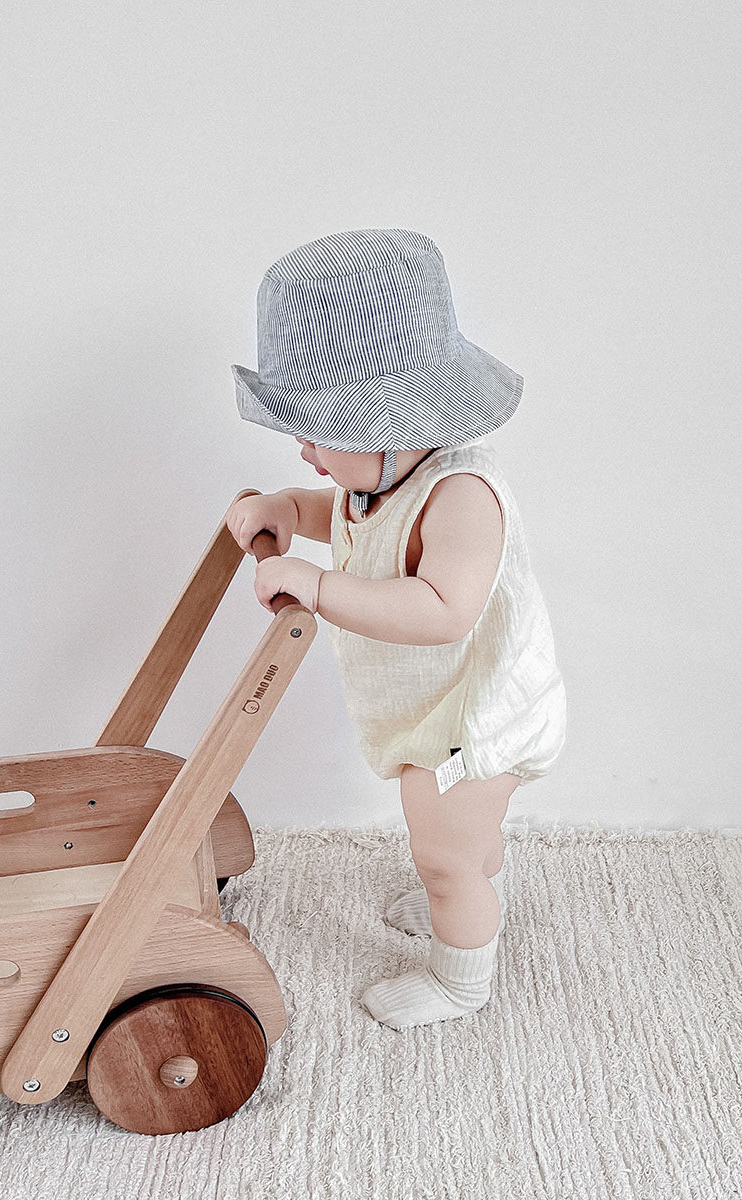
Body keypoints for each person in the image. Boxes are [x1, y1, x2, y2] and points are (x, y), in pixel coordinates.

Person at [225, 227, 566, 1031]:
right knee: (462, 842)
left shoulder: (463, 497)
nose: (305, 449)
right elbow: (348, 518)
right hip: (433, 708)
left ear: (396, 423)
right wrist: (287, 508)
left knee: (443, 854)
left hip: (480, 714)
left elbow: (443, 610)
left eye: (319, 433)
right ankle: (471, 884)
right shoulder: (376, 480)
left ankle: (461, 978)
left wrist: (318, 586)